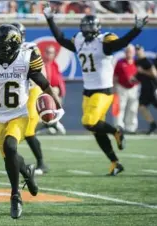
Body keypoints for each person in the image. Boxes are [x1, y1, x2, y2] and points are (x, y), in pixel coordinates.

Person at [44, 3, 148, 175]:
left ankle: (117, 131)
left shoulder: (104, 41)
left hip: (103, 91)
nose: (86, 31)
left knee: (88, 122)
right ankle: (115, 162)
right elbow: (61, 39)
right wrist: (50, 19)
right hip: (88, 91)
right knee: (94, 129)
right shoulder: (79, 40)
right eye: (84, 27)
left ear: (97, 28)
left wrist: (136, 30)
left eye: (88, 28)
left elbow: (121, 42)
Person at [0, 24, 64, 219]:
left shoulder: (26, 58)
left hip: (19, 115)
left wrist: (57, 104)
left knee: (11, 147)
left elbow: (43, 83)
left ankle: (15, 196)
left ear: (10, 47)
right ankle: (28, 171)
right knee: (10, 158)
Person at [113, 44, 139, 133]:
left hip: (134, 88)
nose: (129, 53)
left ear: (134, 53)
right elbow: (115, 76)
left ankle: (131, 128)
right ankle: (119, 126)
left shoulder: (137, 63)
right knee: (120, 108)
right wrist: (114, 88)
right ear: (125, 52)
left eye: (131, 51)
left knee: (133, 108)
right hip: (121, 87)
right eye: (127, 51)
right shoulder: (120, 63)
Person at [135, 45, 157, 134]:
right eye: (136, 50)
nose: (137, 51)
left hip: (152, 88)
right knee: (142, 107)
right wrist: (135, 78)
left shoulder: (147, 61)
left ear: (142, 50)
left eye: (139, 50)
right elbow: (140, 75)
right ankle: (152, 124)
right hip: (145, 88)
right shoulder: (137, 61)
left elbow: (155, 75)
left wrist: (142, 71)